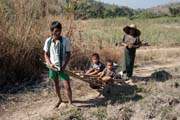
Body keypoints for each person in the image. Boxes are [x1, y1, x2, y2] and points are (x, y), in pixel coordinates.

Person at [43, 21, 72, 108]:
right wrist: (49, 64)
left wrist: (64, 66)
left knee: (67, 85)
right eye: (56, 31)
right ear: (52, 31)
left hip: (62, 67)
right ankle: (59, 99)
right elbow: (46, 54)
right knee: (56, 84)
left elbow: (68, 54)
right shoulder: (48, 41)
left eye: (59, 30)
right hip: (52, 67)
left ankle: (70, 102)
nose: (58, 33)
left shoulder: (65, 41)